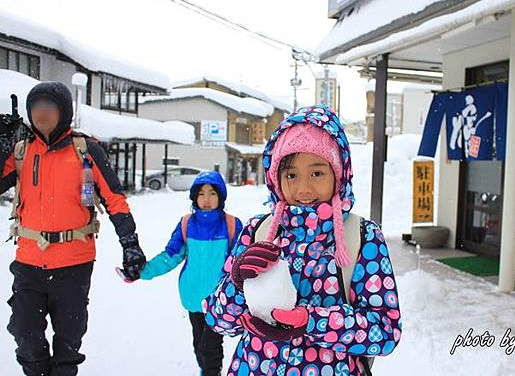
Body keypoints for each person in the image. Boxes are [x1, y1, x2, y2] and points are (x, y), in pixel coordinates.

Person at [203, 105, 402, 376]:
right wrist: (237, 284)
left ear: (338, 174)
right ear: (276, 178)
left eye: (317, 173)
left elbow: (385, 332)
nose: (303, 188)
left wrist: (312, 322)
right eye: (291, 175)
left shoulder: (362, 236)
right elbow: (218, 321)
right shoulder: (257, 231)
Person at [0, 81, 146, 376]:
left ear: (64, 111)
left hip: (74, 264)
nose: (41, 113)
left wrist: (130, 243)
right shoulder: (21, 151)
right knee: (25, 335)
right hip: (29, 261)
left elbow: (114, 200)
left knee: (68, 343)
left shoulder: (86, 149)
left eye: (49, 106)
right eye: (35, 107)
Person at [138, 170, 243, 376]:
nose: (206, 199)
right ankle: (206, 370)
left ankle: (211, 372)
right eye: (201, 193)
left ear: (221, 197)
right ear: (194, 196)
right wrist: (144, 271)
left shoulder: (231, 225)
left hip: (219, 300)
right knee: (199, 343)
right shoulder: (187, 224)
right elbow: (171, 255)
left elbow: (241, 262)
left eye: (212, 193)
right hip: (193, 297)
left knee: (210, 345)